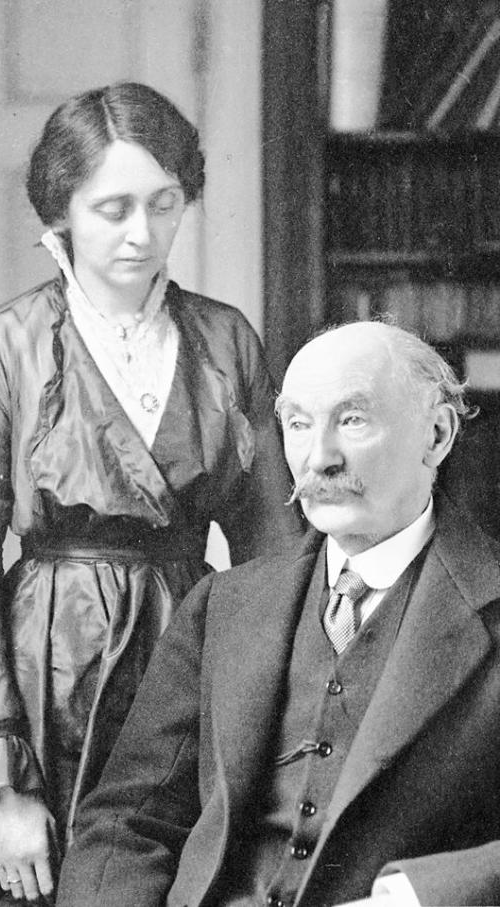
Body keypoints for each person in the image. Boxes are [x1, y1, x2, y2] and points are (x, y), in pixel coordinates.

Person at [0, 81, 302, 907]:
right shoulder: (4, 346)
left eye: (164, 203)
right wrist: (2, 781)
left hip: (190, 663)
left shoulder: (225, 340)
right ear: (61, 210)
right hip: (45, 681)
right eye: (113, 208)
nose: (143, 233)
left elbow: (276, 557)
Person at [56, 320, 500, 907]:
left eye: (352, 420)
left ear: (437, 435)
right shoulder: (223, 604)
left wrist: (411, 899)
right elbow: (125, 822)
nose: (319, 458)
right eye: (298, 424)